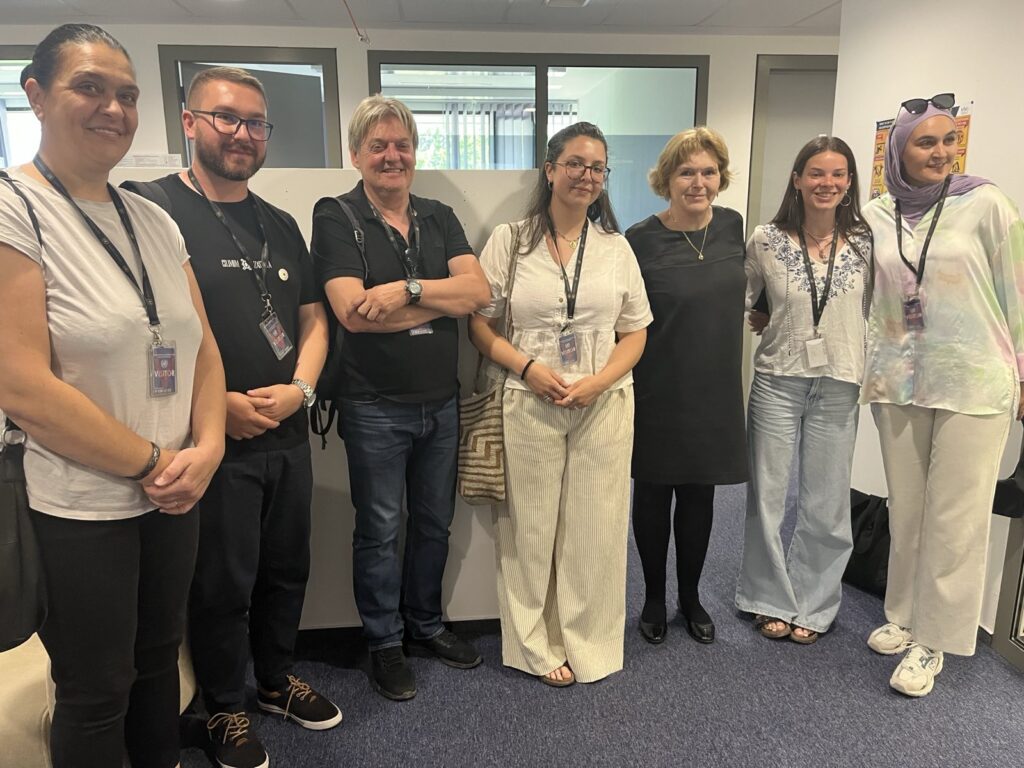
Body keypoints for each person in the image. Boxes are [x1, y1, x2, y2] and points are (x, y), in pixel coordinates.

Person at [0, 24, 226, 768]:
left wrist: (208, 449)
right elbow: (20, 384)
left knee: (159, 663)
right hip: (79, 505)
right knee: (97, 690)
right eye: (89, 88)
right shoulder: (13, 207)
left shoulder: (154, 219)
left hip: (176, 493)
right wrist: (155, 462)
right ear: (36, 95)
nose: (114, 109)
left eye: (126, 95)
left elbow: (201, 347)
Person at [124, 67, 339, 767]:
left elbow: (312, 320)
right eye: (226, 117)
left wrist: (301, 390)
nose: (242, 134)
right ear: (190, 122)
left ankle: (275, 681)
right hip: (209, 442)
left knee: (287, 568)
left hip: (287, 431)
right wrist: (215, 407)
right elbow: (141, 333)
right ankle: (224, 706)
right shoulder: (151, 209)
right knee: (221, 583)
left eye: (255, 122)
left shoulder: (279, 223)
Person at [311, 95, 489, 702]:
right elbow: (351, 314)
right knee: (381, 529)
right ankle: (384, 642)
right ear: (356, 155)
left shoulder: (439, 216)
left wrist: (405, 290)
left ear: (415, 152)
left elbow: (478, 293)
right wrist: (441, 299)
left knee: (435, 523)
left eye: (402, 145)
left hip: (441, 402)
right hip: (373, 405)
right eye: (378, 146)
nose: (392, 156)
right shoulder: (336, 215)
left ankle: (426, 624)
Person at [469, 122, 652, 686]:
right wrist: (527, 367)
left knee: (595, 529)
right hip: (528, 398)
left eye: (597, 167)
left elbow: (636, 332)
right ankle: (533, 644)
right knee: (528, 530)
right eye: (575, 163)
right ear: (550, 170)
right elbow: (480, 325)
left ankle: (590, 641)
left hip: (604, 403)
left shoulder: (616, 248)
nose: (586, 176)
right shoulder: (511, 240)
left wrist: (599, 381)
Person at [861, 94, 1024, 696]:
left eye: (948, 141)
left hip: (973, 381)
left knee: (956, 517)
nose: (940, 153)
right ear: (898, 150)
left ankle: (937, 640)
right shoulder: (876, 214)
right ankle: (904, 615)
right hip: (898, 378)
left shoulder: (987, 204)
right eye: (925, 142)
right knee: (908, 508)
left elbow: (1020, 290)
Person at [734, 136, 872, 645]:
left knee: (827, 501)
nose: (826, 183)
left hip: (840, 382)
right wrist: (762, 313)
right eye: (816, 173)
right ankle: (767, 597)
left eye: (837, 174)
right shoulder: (766, 239)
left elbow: (879, 310)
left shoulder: (867, 242)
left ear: (849, 182)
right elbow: (743, 296)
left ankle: (814, 603)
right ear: (797, 179)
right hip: (777, 380)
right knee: (767, 496)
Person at [625, 127, 747, 646]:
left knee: (700, 496)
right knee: (653, 495)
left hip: (714, 387)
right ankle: (654, 597)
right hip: (658, 386)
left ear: (720, 177)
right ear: (667, 180)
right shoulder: (639, 239)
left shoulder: (734, 227)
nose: (698, 183)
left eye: (708, 172)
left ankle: (691, 597)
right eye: (686, 172)